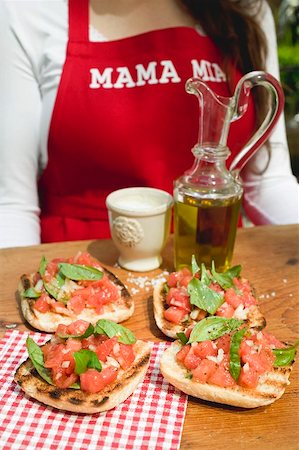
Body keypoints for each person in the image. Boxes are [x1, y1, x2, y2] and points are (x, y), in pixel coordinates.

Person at [0, 0, 298, 249]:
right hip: (79, 276)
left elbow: (267, 183)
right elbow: (12, 209)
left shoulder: (244, 8)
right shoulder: (25, 11)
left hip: (212, 263)